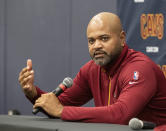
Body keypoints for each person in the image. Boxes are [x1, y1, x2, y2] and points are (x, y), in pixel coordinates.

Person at [18, 12, 166, 125]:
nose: (97, 46)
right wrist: (33, 93)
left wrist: (61, 111)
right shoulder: (91, 70)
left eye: (104, 38)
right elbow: (58, 105)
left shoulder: (140, 68)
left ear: (122, 38)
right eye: (91, 41)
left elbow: (121, 114)